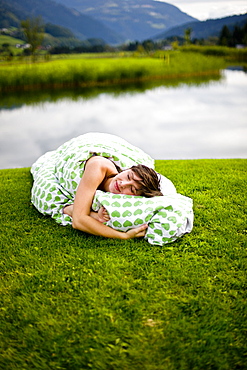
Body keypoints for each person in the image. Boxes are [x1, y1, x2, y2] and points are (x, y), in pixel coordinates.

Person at [30, 132, 165, 241]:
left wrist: (93, 216)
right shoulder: (98, 166)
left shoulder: (117, 198)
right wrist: (123, 235)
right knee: (49, 200)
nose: (123, 184)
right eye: (128, 177)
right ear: (126, 170)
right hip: (84, 145)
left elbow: (76, 212)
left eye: (132, 189)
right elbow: (79, 221)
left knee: (70, 207)